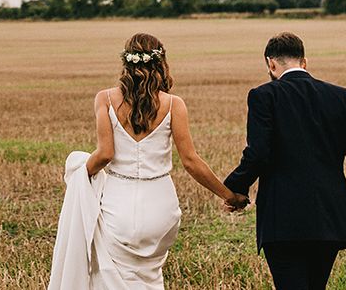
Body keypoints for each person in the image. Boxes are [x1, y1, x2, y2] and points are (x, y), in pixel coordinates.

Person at [48, 33, 245, 290]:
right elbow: (191, 162)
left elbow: (105, 154)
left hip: (118, 206)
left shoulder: (105, 99)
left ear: (126, 62)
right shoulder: (174, 105)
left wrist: (79, 170)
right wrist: (228, 195)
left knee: (114, 278)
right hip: (160, 206)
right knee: (149, 278)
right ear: (160, 62)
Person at [224, 31, 346, 290]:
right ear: (304, 61)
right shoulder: (341, 96)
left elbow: (258, 153)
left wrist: (235, 187)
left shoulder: (263, 95)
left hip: (283, 219)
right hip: (329, 217)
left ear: (271, 63)